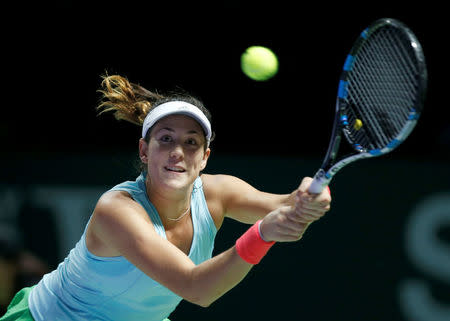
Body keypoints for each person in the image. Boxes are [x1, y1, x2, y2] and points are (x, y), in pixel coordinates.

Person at [1, 75, 332, 321]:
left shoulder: (219, 192)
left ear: (204, 157)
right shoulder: (117, 210)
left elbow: (287, 209)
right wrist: (261, 234)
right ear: (145, 151)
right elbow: (197, 288)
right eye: (165, 139)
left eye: (191, 142)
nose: (177, 152)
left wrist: (308, 200)